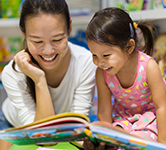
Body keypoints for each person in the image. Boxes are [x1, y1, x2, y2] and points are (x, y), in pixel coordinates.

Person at [0, 0, 96, 149]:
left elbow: (76, 129)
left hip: (63, 132)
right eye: (37, 41)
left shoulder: (85, 63)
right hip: (12, 127)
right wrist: (39, 80)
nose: (48, 51)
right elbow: (43, 137)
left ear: (69, 27)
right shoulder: (13, 73)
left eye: (57, 39)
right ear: (23, 33)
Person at [83, 7, 166, 150]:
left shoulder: (148, 67)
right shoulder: (102, 72)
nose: (99, 62)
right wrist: (105, 139)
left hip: (152, 118)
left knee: (140, 143)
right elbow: (104, 111)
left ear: (129, 47)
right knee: (114, 143)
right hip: (124, 119)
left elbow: (162, 107)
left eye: (106, 56)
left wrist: (163, 142)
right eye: (94, 55)